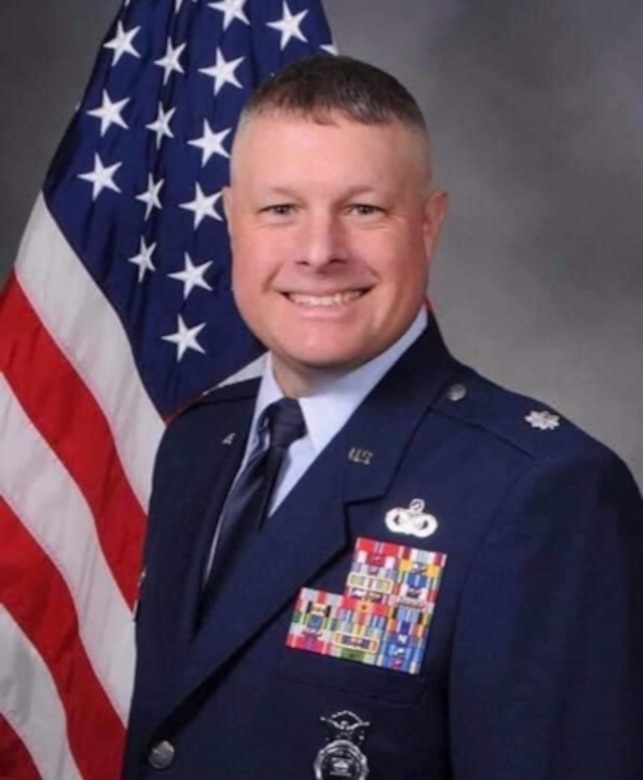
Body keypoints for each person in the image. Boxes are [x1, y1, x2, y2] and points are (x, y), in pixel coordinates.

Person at [124, 55, 643, 779]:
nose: (318, 252)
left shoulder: (543, 491)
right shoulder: (198, 443)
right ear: (231, 221)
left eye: (363, 209)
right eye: (280, 209)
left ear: (427, 226)